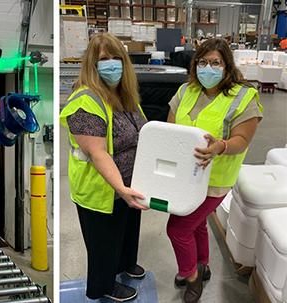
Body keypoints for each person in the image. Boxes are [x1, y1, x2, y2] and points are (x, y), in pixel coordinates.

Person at [166, 38, 262, 303]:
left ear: (227, 66)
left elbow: (242, 141)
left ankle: (192, 277)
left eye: (215, 62)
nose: (208, 68)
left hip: (216, 180)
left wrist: (220, 146)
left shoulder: (244, 97)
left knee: (177, 229)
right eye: (202, 62)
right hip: (186, 176)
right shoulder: (186, 91)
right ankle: (202, 264)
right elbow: (170, 129)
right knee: (196, 225)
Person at [60, 33, 148, 302]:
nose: (112, 65)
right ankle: (103, 287)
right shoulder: (85, 102)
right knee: (103, 243)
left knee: (126, 231)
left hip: (128, 183)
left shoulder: (124, 96)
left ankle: (123, 265)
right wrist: (121, 188)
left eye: (116, 59)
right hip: (101, 188)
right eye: (104, 60)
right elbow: (98, 153)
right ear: (92, 65)